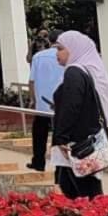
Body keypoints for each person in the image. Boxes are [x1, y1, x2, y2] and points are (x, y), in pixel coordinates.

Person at [50, 31, 108, 199]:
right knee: (71, 185)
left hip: (78, 143)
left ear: (74, 49)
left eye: (61, 49)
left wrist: (61, 137)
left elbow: (72, 106)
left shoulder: (74, 72)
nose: (57, 54)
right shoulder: (87, 70)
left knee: (87, 192)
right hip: (84, 138)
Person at [26, 30, 65, 171]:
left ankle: (38, 162)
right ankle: (60, 166)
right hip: (61, 103)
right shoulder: (68, 56)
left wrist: (32, 99)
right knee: (60, 134)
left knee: (39, 134)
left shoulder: (38, 57)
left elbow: (31, 81)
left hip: (42, 103)